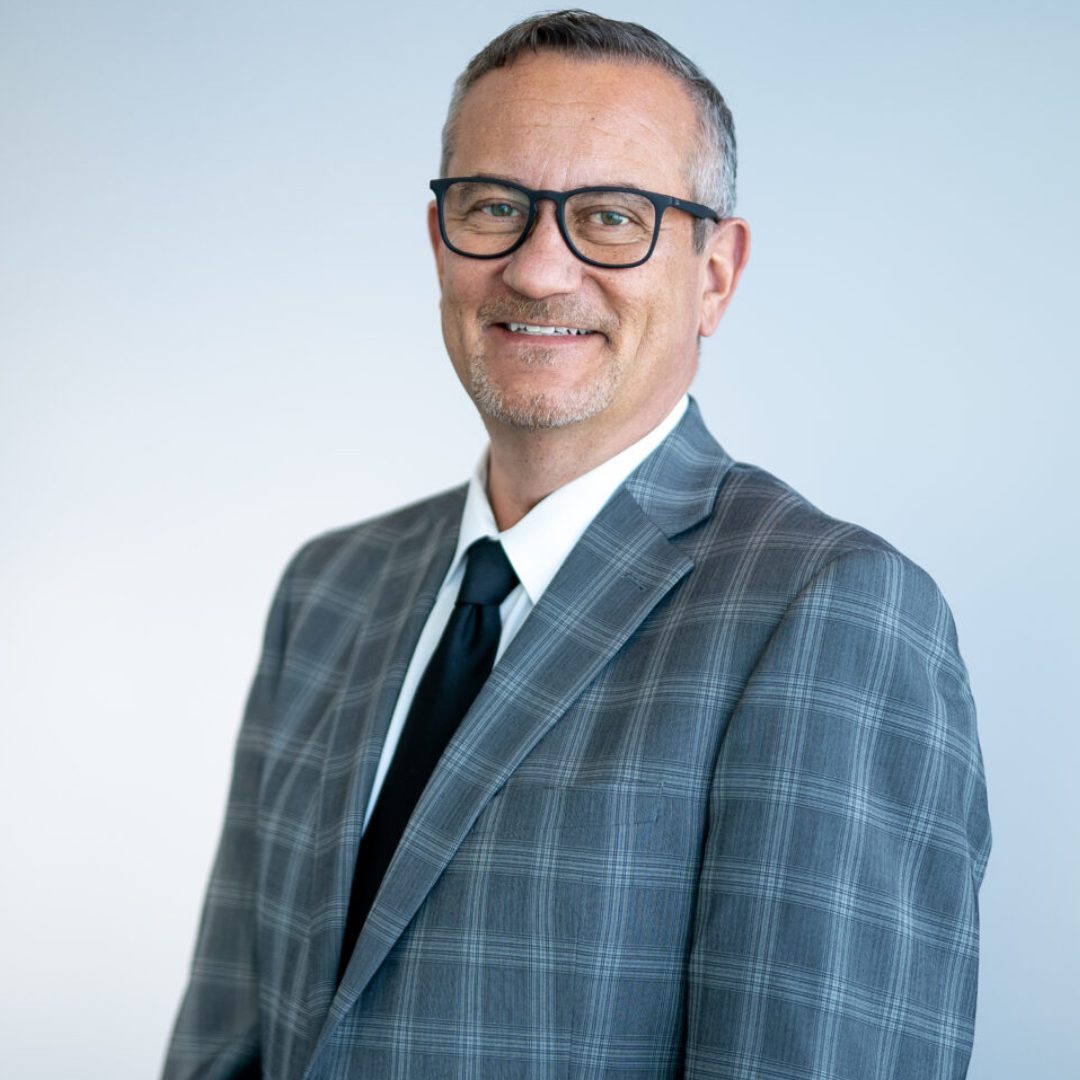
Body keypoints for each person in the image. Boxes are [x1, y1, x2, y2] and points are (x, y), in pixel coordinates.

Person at [163, 11, 990, 1079]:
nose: (540, 270)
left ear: (716, 274)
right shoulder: (327, 590)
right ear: (439, 240)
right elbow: (223, 1047)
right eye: (496, 206)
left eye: (611, 216)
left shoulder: (829, 612)